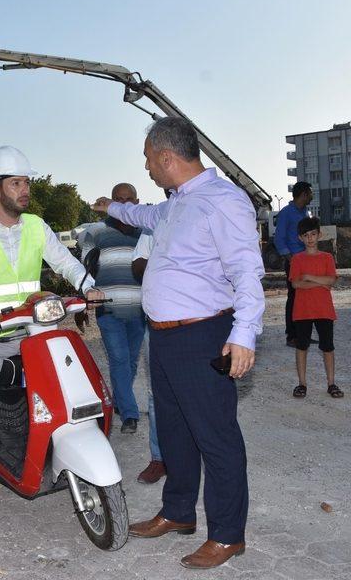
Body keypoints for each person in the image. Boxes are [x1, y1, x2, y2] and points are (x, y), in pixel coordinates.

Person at [93, 116, 265, 569]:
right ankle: (178, 512)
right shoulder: (173, 205)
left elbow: (248, 271)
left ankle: (228, 535)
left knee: (216, 436)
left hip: (203, 334)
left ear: (166, 157)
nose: (148, 168)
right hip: (165, 338)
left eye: (149, 160)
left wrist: (244, 334)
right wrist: (110, 206)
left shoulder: (223, 201)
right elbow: (140, 214)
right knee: (174, 430)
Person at [0, 145, 104, 532]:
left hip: (36, 329)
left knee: (70, 392)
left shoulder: (36, 226)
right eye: (16, 183)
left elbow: (65, 262)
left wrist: (88, 286)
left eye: (26, 182)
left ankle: (60, 453)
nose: (24, 189)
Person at [79, 183, 146, 434]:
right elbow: (84, 269)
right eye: (118, 199)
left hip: (140, 309)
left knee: (130, 363)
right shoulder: (94, 231)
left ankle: (119, 401)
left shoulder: (147, 231)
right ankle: (130, 414)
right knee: (119, 359)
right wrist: (85, 296)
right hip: (108, 309)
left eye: (129, 200)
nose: (123, 204)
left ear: (137, 202)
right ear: (110, 202)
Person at [289, 217, 343, 399]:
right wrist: (322, 283)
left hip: (324, 310)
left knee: (328, 347)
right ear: (300, 238)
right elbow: (296, 285)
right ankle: (302, 383)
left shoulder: (327, 258)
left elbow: (332, 280)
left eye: (313, 234)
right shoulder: (296, 259)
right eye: (306, 235)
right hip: (303, 310)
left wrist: (308, 277)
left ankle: (331, 383)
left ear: (319, 235)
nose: (310, 238)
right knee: (302, 346)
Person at [131, 227, 166, 484]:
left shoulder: (207, 211)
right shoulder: (155, 222)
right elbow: (138, 263)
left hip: (199, 321)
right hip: (157, 322)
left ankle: (195, 455)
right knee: (157, 392)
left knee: (197, 392)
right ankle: (159, 458)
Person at [274, 181, 313, 347]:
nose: (312, 196)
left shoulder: (306, 213)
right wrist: (292, 260)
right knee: (294, 298)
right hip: (295, 262)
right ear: (304, 194)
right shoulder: (286, 213)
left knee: (307, 298)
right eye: (310, 193)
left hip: (308, 260)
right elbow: (279, 239)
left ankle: (304, 335)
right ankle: (292, 336)